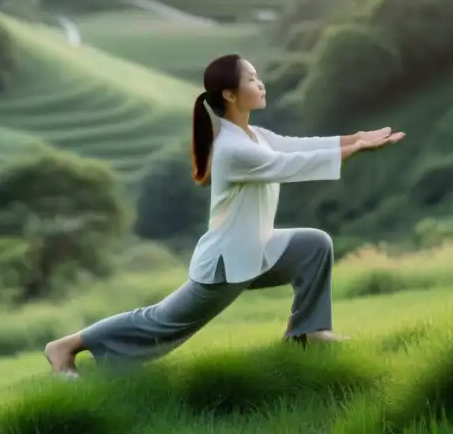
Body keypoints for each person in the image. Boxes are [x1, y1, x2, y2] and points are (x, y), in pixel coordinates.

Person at [44, 53, 404, 377]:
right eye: (251, 78)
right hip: (227, 263)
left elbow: (299, 146)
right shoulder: (233, 149)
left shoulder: (253, 135)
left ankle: (307, 334)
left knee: (314, 245)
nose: (259, 83)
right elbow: (289, 164)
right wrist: (355, 149)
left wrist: (355, 137)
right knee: (162, 323)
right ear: (230, 94)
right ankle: (65, 347)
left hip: (259, 249)